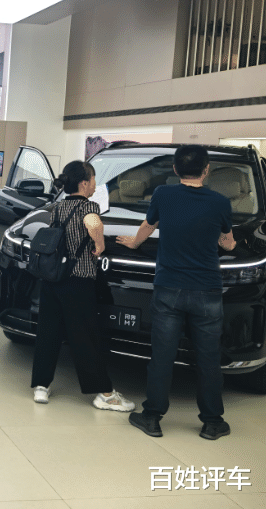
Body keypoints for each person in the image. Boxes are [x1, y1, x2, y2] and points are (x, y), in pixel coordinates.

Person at [118, 145, 236, 440]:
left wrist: (134, 243)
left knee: (162, 356)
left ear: (175, 169)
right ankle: (212, 423)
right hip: (207, 291)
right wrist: (226, 243)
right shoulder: (220, 202)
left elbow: (149, 225)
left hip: (168, 288)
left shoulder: (163, 194)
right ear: (206, 170)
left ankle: (152, 417)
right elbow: (228, 242)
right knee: (208, 359)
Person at [30, 160, 135, 412]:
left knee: (48, 333)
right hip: (78, 281)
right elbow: (94, 224)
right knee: (85, 336)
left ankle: (41, 386)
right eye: (94, 179)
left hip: (53, 278)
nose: (95, 184)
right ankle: (105, 394)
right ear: (84, 183)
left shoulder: (58, 207)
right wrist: (99, 245)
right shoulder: (89, 206)